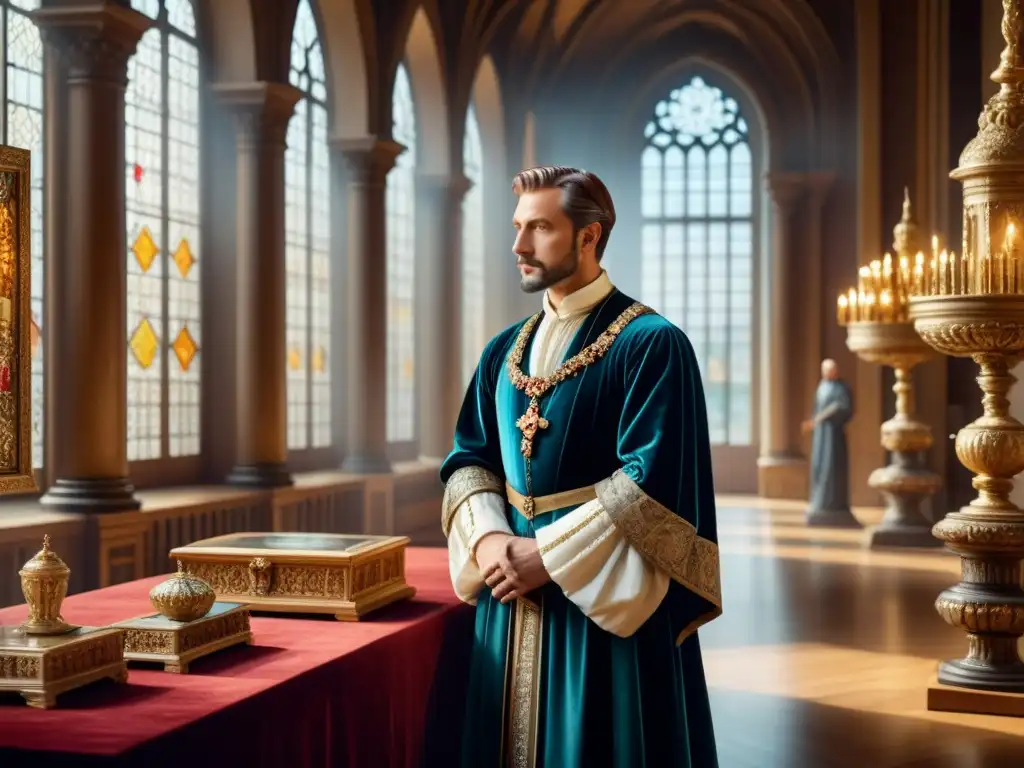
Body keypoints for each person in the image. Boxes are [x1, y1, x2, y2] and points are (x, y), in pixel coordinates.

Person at [440, 165, 722, 767]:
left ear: (589, 236)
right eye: (517, 227)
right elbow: (470, 458)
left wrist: (544, 558)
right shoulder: (503, 350)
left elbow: (653, 482)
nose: (518, 245)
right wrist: (491, 541)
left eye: (539, 227)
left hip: (602, 604)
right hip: (507, 587)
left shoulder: (651, 344)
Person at [802, 358, 858, 527]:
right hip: (821, 434)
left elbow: (843, 407)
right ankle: (820, 502)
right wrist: (815, 420)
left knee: (832, 466)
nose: (830, 372)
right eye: (826, 369)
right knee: (819, 465)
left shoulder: (842, 388)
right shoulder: (822, 386)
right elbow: (817, 408)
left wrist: (821, 418)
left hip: (834, 435)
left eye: (832, 369)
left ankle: (835, 504)